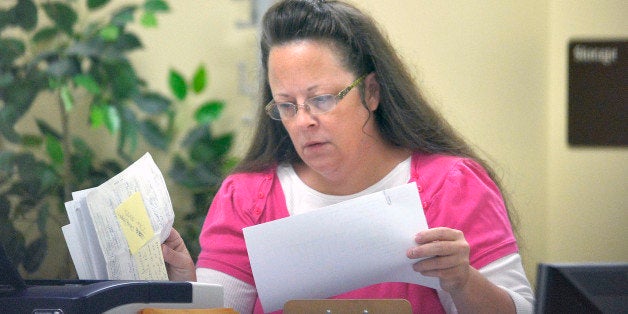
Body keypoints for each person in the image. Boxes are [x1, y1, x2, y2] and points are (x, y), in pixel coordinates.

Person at [161, 0, 534, 313]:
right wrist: (182, 285)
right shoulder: (248, 196)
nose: (304, 121)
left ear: (371, 92)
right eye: (287, 105)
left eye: (322, 99)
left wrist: (462, 280)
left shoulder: (451, 185)